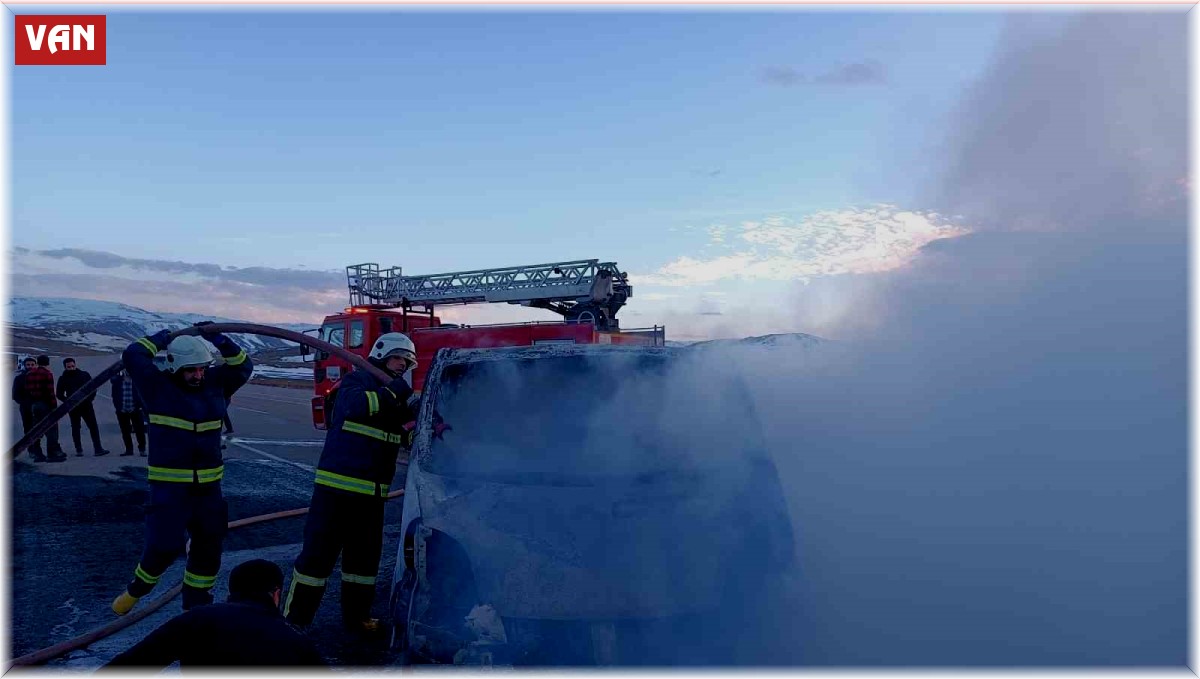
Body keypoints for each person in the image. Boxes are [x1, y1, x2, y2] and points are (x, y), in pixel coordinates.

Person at [283, 332, 419, 634]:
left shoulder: (396, 395)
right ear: (382, 354)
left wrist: (420, 429)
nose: (402, 365)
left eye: (407, 361)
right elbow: (355, 408)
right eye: (398, 358)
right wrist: (394, 393)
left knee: (363, 562)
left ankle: (357, 618)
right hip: (336, 492)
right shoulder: (357, 382)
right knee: (317, 558)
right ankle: (295, 622)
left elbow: (405, 432)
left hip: (371, 496)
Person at [111, 328, 253, 616]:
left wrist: (219, 339)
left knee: (209, 548)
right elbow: (133, 354)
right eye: (191, 371)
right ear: (174, 365)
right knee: (164, 545)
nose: (198, 376)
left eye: (202, 369)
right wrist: (163, 337)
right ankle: (137, 589)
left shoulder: (217, 383)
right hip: (169, 489)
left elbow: (243, 365)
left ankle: (197, 607)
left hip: (209, 490)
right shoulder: (156, 386)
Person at [104, 559, 326, 668]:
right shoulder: (296, 641)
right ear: (276, 595)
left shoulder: (198, 620)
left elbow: (133, 664)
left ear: (232, 592)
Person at [56, 357, 110, 457]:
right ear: (65, 367)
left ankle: (98, 448)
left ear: (75, 365)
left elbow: (93, 387)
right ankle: (79, 449)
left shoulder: (84, 375)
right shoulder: (63, 378)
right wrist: (68, 402)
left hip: (86, 405)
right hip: (73, 407)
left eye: (72, 366)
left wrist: (90, 399)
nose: (71, 368)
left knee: (93, 426)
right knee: (76, 427)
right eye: (69, 367)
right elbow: (59, 394)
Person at [25, 355, 67, 463]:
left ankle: (38, 454)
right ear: (47, 363)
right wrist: (53, 406)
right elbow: (50, 392)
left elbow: (28, 391)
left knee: (36, 429)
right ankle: (52, 453)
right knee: (51, 428)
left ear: (38, 362)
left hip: (35, 404)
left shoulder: (29, 374)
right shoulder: (47, 374)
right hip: (45, 404)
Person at [109, 368, 147, 456]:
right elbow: (114, 393)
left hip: (135, 409)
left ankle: (142, 449)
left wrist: (140, 405)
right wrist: (118, 406)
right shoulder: (118, 380)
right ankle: (129, 450)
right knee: (125, 431)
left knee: (139, 430)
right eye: (126, 370)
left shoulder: (137, 380)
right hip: (122, 410)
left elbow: (142, 394)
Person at [12, 356, 39, 461]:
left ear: (35, 365)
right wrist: (25, 403)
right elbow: (15, 395)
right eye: (28, 365)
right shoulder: (19, 378)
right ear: (24, 366)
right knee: (28, 429)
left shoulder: (39, 376)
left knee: (39, 428)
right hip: (25, 407)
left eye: (32, 364)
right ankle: (31, 450)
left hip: (38, 406)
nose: (30, 367)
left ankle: (38, 449)